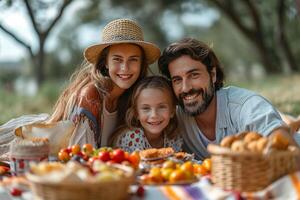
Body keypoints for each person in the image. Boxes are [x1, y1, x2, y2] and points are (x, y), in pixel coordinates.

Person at [158, 37, 297, 160]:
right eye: (177, 80)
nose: (186, 88)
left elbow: (284, 145)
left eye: (193, 75)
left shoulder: (246, 105)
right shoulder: (175, 118)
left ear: (212, 74)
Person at [47, 19, 161, 148]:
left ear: (141, 64)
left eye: (133, 59)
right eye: (117, 59)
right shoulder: (90, 96)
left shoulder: (134, 97)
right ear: (106, 62)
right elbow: (80, 156)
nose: (125, 68)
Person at [110, 76, 183, 153]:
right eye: (146, 108)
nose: (154, 115)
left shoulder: (173, 137)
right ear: (136, 113)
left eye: (161, 107)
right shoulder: (132, 138)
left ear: (172, 111)